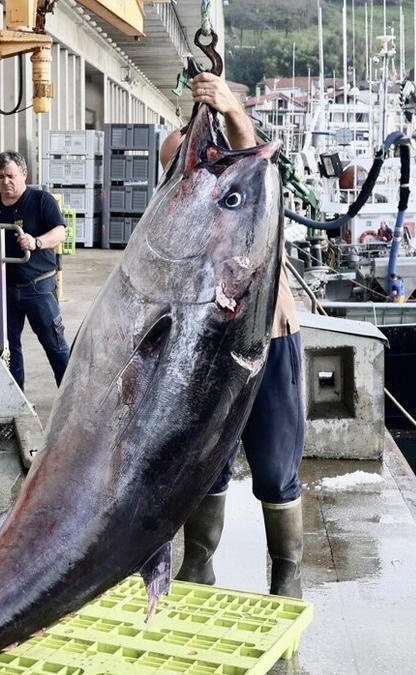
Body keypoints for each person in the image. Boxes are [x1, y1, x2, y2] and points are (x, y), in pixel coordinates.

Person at [158, 72, 305, 598]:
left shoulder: (254, 169)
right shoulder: (181, 159)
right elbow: (175, 151)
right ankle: (198, 561)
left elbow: (254, 157)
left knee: (274, 460)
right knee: (204, 456)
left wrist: (232, 110)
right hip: (204, 339)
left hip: (266, 332)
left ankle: (286, 572)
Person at [0, 151, 71, 389]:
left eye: (10, 176)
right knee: (7, 348)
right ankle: (16, 400)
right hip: (5, 287)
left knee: (54, 345)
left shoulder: (41, 200)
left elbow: (60, 232)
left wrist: (36, 242)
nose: (5, 181)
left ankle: (70, 398)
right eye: (1, 176)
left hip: (38, 287)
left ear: (24, 174)